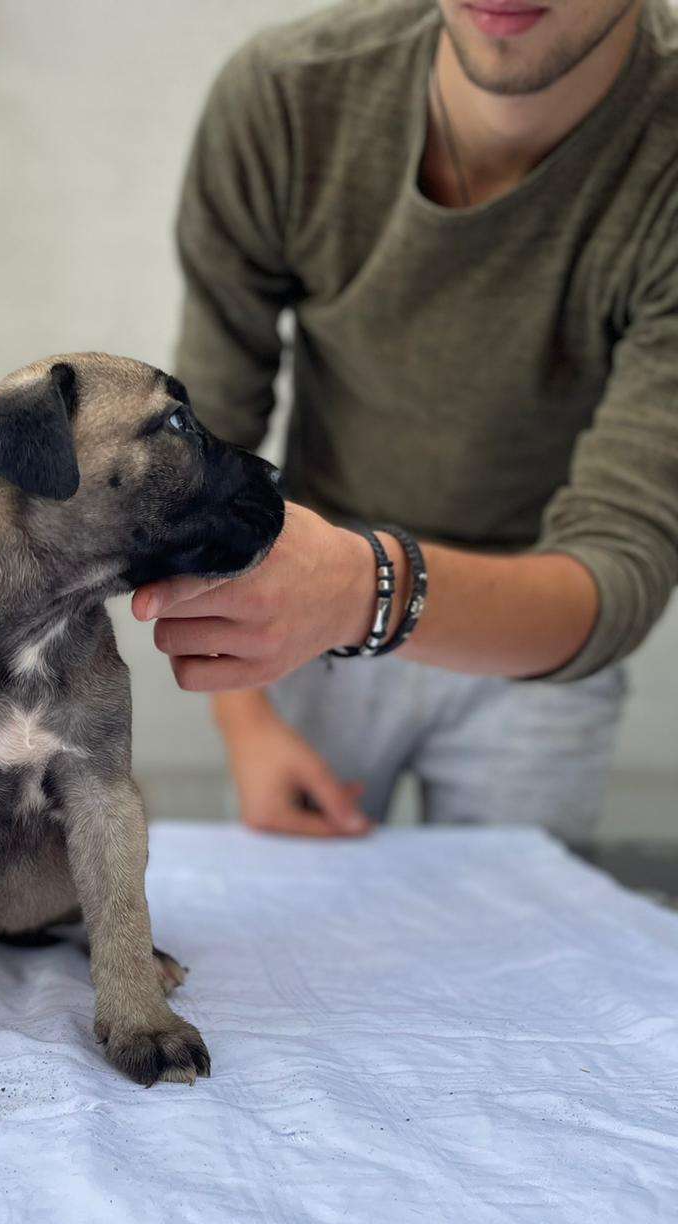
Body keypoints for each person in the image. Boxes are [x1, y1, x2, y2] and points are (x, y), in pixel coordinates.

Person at [135, 0, 678, 842]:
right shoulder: (287, 96)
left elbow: (620, 570)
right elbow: (202, 447)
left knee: (520, 954)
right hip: (304, 618)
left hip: (534, 642)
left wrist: (365, 590)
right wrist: (248, 723)